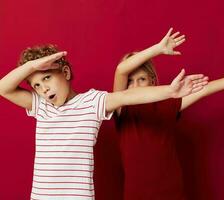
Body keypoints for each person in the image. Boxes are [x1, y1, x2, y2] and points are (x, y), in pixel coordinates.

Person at [0, 44, 208, 200]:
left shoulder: (92, 102)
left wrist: (169, 91)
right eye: (36, 85)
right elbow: (3, 88)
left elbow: (129, 97)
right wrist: (32, 66)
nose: (43, 89)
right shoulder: (41, 106)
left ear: (65, 73)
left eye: (46, 78)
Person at [113, 28, 224, 200]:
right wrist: (158, 49)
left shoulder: (167, 104)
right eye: (130, 82)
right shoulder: (122, 107)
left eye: (141, 79)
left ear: (152, 80)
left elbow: (204, 89)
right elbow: (121, 70)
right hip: (137, 195)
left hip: (171, 191)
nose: (135, 86)